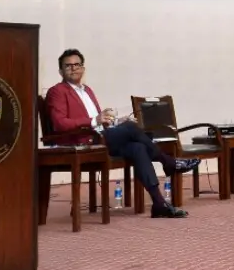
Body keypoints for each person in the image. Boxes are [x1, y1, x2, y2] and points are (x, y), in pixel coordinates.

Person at [45, 48, 200, 218]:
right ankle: (168, 162)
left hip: (101, 138)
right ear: (61, 71)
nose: (73, 68)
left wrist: (115, 121)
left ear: (83, 68)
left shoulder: (87, 90)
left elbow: (99, 120)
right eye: (68, 66)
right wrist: (94, 120)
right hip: (83, 140)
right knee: (132, 129)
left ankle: (159, 203)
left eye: (77, 65)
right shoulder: (57, 91)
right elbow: (60, 123)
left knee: (138, 147)